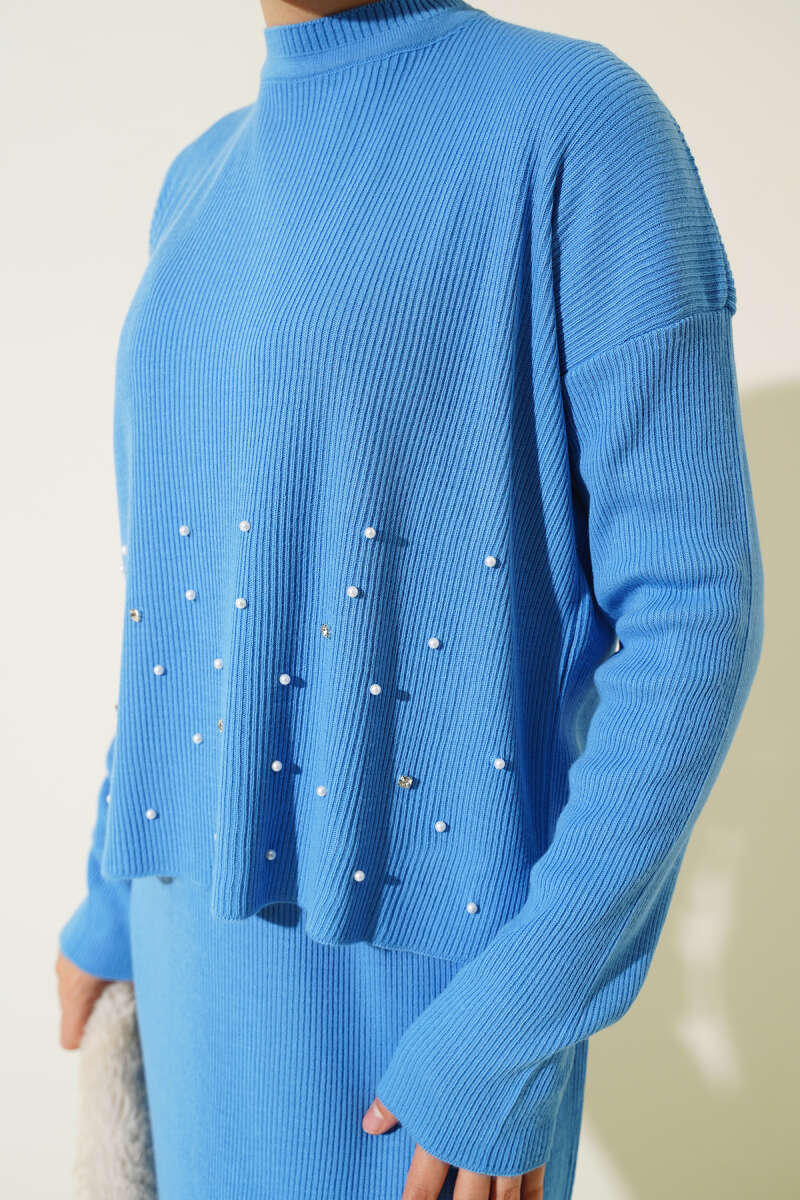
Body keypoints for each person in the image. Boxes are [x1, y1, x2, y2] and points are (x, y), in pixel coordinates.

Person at [55, 1, 764, 1197]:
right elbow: (184, 598)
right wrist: (110, 896)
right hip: (187, 988)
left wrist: (510, 1026)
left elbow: (691, 618)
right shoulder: (195, 183)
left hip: (415, 1037)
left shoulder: (575, 126)